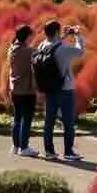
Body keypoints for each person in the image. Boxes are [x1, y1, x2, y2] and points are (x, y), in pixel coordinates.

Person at [35, 19, 83, 161]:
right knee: (68, 121)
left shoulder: (42, 45)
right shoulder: (63, 48)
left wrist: (64, 36)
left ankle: (49, 151)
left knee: (49, 121)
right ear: (56, 32)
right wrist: (78, 36)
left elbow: (53, 45)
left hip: (49, 88)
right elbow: (79, 51)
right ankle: (68, 152)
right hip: (65, 89)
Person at [5, 25, 39, 158]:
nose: (32, 38)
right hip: (26, 90)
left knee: (17, 118)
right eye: (31, 36)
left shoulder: (12, 49)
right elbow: (39, 54)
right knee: (26, 118)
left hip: (15, 89)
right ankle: (24, 147)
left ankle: (15, 145)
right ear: (26, 36)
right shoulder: (27, 51)